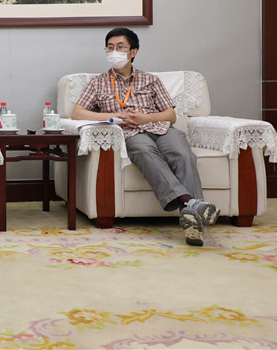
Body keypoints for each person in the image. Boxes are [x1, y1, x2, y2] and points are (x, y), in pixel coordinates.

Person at [71, 27, 220, 246]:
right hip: (130, 132)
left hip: (160, 128)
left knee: (183, 154)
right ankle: (192, 205)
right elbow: (78, 113)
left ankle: (191, 215)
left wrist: (145, 118)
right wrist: (114, 117)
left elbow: (170, 115)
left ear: (133, 52)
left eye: (120, 47)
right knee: (144, 151)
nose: (114, 52)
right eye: (110, 48)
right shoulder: (98, 82)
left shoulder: (150, 80)